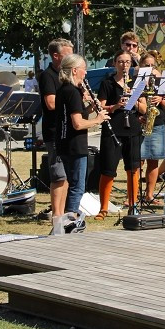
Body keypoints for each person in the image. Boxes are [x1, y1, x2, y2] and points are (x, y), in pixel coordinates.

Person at [56, 53, 108, 230]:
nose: (85, 74)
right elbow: (77, 124)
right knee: (77, 186)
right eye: (84, 70)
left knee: (72, 183)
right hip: (75, 145)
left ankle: (66, 221)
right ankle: (69, 222)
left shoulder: (64, 90)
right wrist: (98, 119)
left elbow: (74, 115)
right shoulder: (72, 92)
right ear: (75, 70)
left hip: (64, 142)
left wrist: (90, 108)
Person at [95, 50, 144, 217]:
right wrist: (115, 106)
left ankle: (133, 204)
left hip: (133, 129)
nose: (124, 65)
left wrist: (134, 99)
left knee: (133, 168)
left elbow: (143, 109)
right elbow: (100, 107)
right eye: (121, 62)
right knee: (108, 168)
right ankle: (103, 208)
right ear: (115, 64)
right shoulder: (107, 83)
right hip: (113, 128)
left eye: (127, 62)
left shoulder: (136, 84)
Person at [38, 38, 73, 223]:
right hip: (55, 131)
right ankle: (56, 214)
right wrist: (71, 101)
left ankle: (63, 210)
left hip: (69, 130)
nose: (71, 59)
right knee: (58, 173)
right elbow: (51, 103)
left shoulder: (67, 76)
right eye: (68, 55)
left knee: (66, 174)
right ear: (56, 55)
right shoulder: (48, 75)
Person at [137, 51, 165, 206]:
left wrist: (161, 99)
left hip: (157, 123)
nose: (150, 68)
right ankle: (134, 194)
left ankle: (149, 195)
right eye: (146, 65)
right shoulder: (136, 82)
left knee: (153, 161)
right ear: (140, 67)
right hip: (141, 123)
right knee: (138, 161)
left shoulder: (162, 82)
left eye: (152, 65)